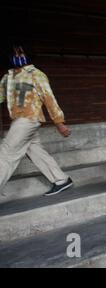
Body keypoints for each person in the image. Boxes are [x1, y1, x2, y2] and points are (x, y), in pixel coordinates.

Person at [0, 45, 73, 196]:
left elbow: (49, 99)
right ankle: (61, 180)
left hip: (29, 119)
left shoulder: (36, 74)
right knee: (34, 150)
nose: (18, 55)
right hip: (17, 120)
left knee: (6, 154)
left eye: (21, 52)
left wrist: (59, 123)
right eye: (15, 53)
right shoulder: (7, 77)